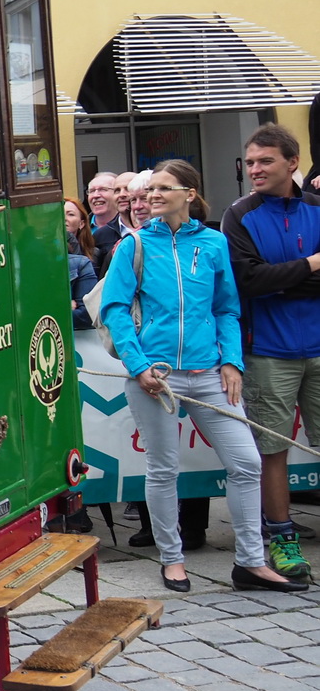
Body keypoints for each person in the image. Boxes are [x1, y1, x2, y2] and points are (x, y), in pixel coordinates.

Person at [99, 159, 306, 595]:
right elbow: (115, 310)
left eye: (162, 188)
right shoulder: (133, 244)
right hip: (156, 377)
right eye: (149, 190)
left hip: (210, 373)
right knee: (163, 470)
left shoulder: (212, 243)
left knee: (247, 464)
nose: (151, 196)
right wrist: (139, 367)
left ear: (189, 194)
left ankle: (250, 562)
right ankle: (172, 560)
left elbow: (226, 308)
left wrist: (231, 361)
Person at [222, 123, 320, 571]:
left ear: (292, 162)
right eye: (251, 162)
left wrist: (283, 278)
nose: (255, 169)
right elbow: (249, 280)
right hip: (267, 352)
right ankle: (282, 541)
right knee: (272, 451)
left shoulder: (318, 208)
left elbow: (269, 278)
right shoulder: (239, 215)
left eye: (266, 161)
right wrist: (310, 267)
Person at [64, 198, 98, 332]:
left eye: (70, 214)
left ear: (82, 223)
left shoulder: (87, 260)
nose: (64, 218)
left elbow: (89, 313)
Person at [86, 171, 124, 272]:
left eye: (103, 189)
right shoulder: (79, 227)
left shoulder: (128, 228)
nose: (96, 195)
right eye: (92, 191)